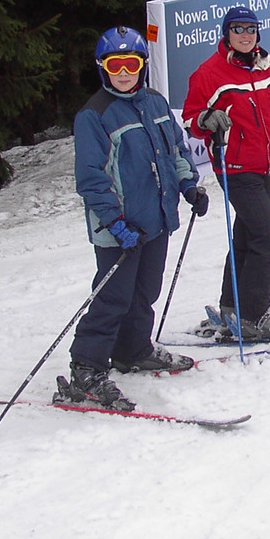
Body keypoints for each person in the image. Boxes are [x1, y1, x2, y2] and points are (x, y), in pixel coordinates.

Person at [58, 26, 210, 412]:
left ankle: (132, 350)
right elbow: (91, 178)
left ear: (142, 65)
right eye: (115, 65)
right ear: (102, 68)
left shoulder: (155, 102)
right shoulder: (94, 115)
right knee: (113, 298)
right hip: (120, 229)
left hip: (156, 218)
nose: (124, 73)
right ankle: (86, 370)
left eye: (130, 64)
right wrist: (115, 223)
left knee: (145, 292)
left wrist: (189, 186)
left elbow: (175, 150)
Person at [182, 6, 270, 342]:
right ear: (226, 33)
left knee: (247, 236)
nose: (245, 35)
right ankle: (255, 313)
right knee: (268, 237)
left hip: (265, 166)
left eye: (250, 29)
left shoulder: (266, 66)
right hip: (235, 169)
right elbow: (190, 119)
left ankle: (233, 306)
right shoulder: (209, 73)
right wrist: (206, 119)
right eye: (237, 29)